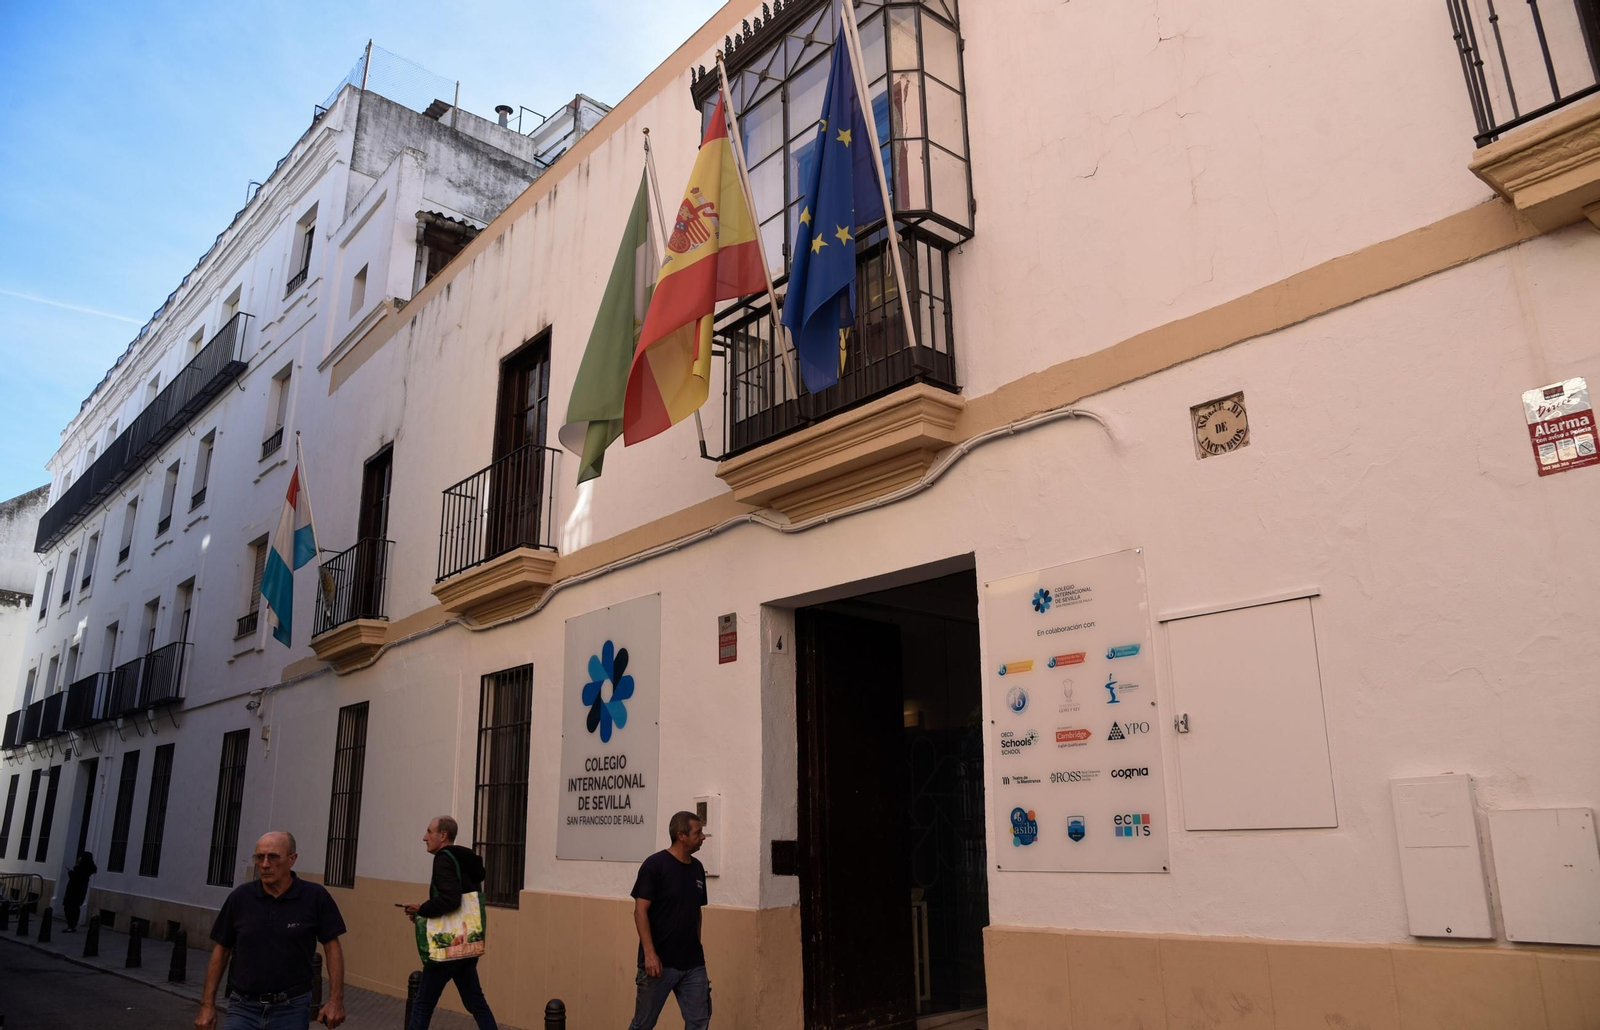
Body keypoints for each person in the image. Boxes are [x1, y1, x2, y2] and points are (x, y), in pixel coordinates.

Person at [196, 831, 347, 1030]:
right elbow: (221, 950)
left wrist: (335, 1001)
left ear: (292, 859)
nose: (265, 865)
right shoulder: (240, 898)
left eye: (273, 857)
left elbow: (332, 947)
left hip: (291, 1009)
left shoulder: (314, 897)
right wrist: (207, 1005)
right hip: (243, 1008)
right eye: (260, 857)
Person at [403, 816, 498, 1030]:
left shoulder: (443, 859)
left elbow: (451, 899)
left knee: (422, 1004)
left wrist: (422, 909)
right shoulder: (465, 861)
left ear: (443, 835)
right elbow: (456, 897)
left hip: (448, 949)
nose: (424, 837)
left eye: (429, 832)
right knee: (476, 1003)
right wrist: (423, 910)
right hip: (466, 945)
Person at [626, 811, 711, 1030]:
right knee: (643, 1024)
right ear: (681, 836)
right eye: (698, 832)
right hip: (659, 964)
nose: (703, 837)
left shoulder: (697, 868)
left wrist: (696, 946)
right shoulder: (655, 866)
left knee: (699, 1022)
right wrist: (650, 955)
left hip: (693, 964)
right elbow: (640, 912)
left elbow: (696, 912)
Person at [62, 850, 96, 932]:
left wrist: (70, 871)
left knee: (69, 908)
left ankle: (71, 925)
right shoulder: (87, 869)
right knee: (75, 907)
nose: (79, 858)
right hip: (80, 891)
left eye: (81, 857)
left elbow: (74, 877)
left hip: (74, 891)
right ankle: (72, 925)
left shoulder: (81, 869)